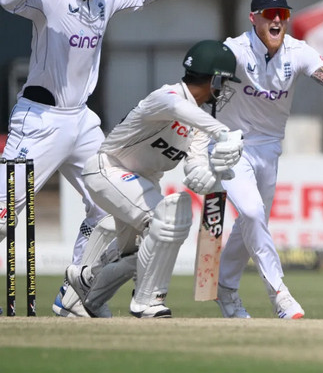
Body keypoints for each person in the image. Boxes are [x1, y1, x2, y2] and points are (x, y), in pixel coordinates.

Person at [0, 0, 215, 316]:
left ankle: (74, 295)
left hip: (81, 120)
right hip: (40, 119)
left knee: (105, 208)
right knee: (2, 213)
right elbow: (8, 0)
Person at [63, 40, 244, 318]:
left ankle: (87, 285)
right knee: (169, 218)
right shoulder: (165, 96)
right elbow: (178, 109)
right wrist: (223, 133)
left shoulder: (198, 126)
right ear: (214, 78)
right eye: (224, 81)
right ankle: (147, 302)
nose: (225, 89)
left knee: (138, 254)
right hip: (107, 170)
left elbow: (196, 176)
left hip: (141, 184)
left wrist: (216, 170)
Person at [213, 0, 323, 319]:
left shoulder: (299, 52)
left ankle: (224, 290)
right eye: (269, 15)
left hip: (269, 147)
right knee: (252, 213)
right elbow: (201, 81)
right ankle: (280, 294)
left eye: (282, 14)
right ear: (254, 19)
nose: (277, 20)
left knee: (251, 222)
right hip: (230, 144)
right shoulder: (235, 50)